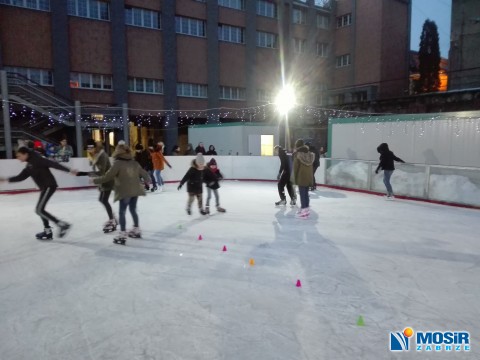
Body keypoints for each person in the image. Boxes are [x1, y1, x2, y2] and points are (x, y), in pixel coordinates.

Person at [0, 147, 75, 239]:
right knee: (40, 210)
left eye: (19, 156)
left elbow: (53, 164)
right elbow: (20, 177)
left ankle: (62, 224)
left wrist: (69, 170)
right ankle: (48, 232)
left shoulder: (38, 159)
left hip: (49, 186)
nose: (18, 158)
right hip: (45, 187)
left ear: (25, 154)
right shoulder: (29, 165)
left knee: (39, 210)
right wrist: (6, 179)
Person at [93, 141, 150, 245]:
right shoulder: (134, 162)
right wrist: (147, 180)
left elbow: (107, 177)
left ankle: (122, 234)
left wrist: (95, 180)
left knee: (122, 212)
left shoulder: (117, 163)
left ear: (118, 152)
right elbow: (144, 173)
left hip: (125, 191)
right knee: (133, 209)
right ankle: (136, 229)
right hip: (136, 190)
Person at [81, 139, 117, 233]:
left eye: (91, 148)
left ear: (95, 147)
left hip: (107, 180)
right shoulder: (94, 155)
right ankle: (113, 219)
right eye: (88, 149)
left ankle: (112, 220)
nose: (89, 150)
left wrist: (86, 174)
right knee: (101, 200)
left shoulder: (102, 156)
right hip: (102, 181)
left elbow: (101, 172)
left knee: (104, 200)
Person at [292, 139, 315, 218]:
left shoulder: (298, 154)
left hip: (301, 176)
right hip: (308, 176)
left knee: (302, 194)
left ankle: (304, 211)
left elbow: (295, 168)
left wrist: (294, 178)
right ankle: (306, 209)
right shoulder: (310, 154)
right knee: (306, 193)